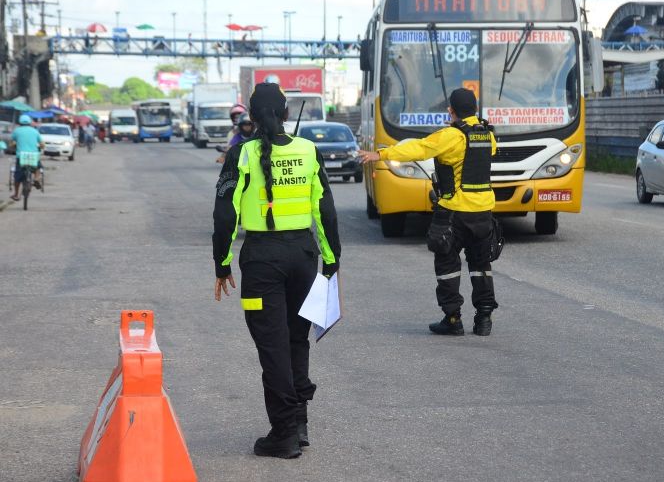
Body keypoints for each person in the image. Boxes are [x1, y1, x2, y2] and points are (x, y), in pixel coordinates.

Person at [212, 83, 341, 459]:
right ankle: (298, 422)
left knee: (272, 346)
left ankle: (284, 433)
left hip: (262, 260)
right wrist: (332, 262)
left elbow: (224, 215)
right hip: (304, 255)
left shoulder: (241, 154)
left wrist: (221, 264)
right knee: (296, 340)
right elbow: (326, 212)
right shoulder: (308, 150)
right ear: (285, 115)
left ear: (251, 118)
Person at [359, 88, 499, 336]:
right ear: (475, 109)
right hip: (484, 212)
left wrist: (381, 154)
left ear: (451, 110)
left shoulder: (451, 136)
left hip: (454, 212)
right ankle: (484, 318)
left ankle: (453, 319)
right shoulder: (487, 135)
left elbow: (419, 149)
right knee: (480, 265)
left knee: (447, 263)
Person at [10, 114, 44, 201]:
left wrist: (14, 145)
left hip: (21, 156)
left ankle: (16, 194)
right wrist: (41, 147)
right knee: (38, 167)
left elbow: (12, 142)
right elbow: (42, 144)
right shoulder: (35, 131)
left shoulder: (17, 131)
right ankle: (36, 179)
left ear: (20, 122)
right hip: (33, 156)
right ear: (29, 123)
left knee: (17, 176)